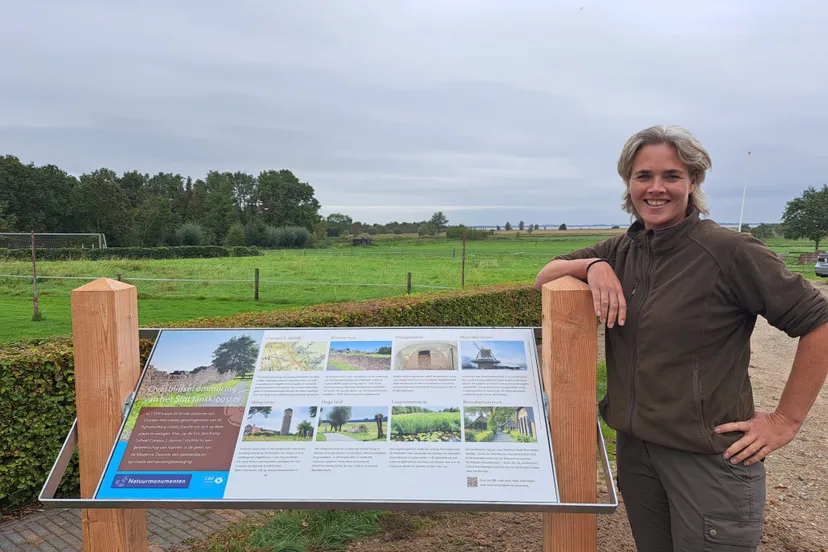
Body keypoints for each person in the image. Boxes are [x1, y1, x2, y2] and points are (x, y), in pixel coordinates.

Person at [534, 125, 828, 551]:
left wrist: (785, 420)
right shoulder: (622, 250)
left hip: (707, 461)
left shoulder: (730, 251)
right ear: (628, 184)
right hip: (637, 454)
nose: (656, 188)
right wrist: (592, 267)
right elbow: (545, 274)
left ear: (693, 181)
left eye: (671, 176)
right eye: (643, 176)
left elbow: (818, 321)